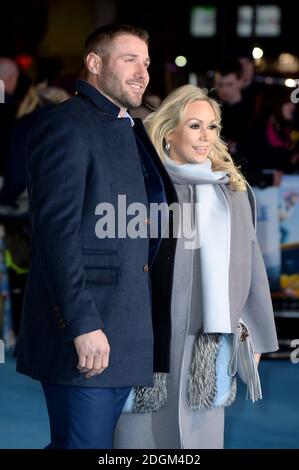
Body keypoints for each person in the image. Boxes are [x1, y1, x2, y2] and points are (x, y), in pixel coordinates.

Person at [16, 24, 177, 449]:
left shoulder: (130, 127)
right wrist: (83, 324)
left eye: (145, 62)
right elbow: (55, 236)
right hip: (88, 332)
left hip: (126, 328)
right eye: (130, 60)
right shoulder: (65, 127)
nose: (143, 71)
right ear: (94, 63)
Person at [114, 84, 278, 449]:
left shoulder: (232, 191)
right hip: (148, 338)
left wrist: (257, 335)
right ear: (169, 130)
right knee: (139, 438)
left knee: (198, 439)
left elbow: (250, 267)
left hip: (207, 339)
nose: (206, 137)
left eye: (213, 127)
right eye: (195, 126)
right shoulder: (144, 189)